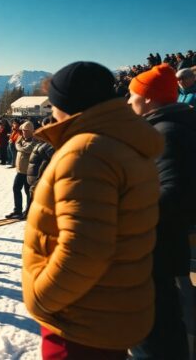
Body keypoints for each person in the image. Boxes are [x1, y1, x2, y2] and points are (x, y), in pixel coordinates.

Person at [22, 61, 163, 358]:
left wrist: (40, 298)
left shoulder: (87, 152)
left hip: (80, 318)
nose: (51, 113)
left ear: (66, 104)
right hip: (107, 308)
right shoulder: (122, 142)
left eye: (54, 104)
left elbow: (84, 250)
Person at [127, 64, 196, 359]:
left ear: (149, 98)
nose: (129, 102)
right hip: (163, 244)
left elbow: (174, 194)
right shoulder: (168, 126)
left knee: (156, 325)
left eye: (133, 96)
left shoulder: (166, 132)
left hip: (158, 246)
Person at [5, 120, 37, 220]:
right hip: (20, 170)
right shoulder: (21, 139)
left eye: (26, 131)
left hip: (28, 171)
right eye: (23, 130)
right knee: (16, 188)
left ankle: (28, 211)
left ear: (31, 131)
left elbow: (26, 149)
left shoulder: (34, 141)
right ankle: (18, 210)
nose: (24, 132)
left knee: (28, 191)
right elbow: (16, 144)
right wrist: (18, 145)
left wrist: (18, 146)